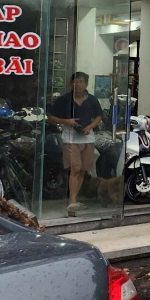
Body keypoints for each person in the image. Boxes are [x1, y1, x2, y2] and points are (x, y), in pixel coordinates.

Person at [47, 72, 105, 215]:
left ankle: (75, 198)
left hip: (87, 138)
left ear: (86, 84)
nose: (77, 84)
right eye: (75, 81)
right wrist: (66, 122)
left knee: (83, 169)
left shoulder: (92, 100)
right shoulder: (64, 100)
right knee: (75, 167)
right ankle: (72, 201)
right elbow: (51, 117)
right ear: (71, 84)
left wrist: (90, 127)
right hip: (70, 138)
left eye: (80, 81)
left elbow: (99, 116)